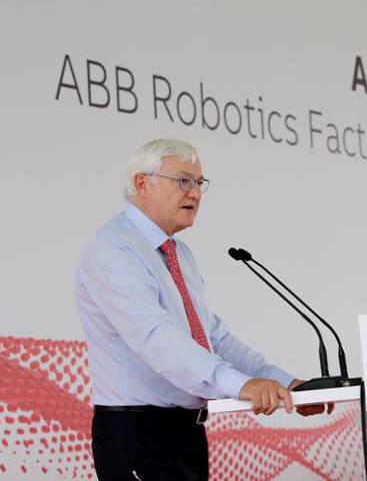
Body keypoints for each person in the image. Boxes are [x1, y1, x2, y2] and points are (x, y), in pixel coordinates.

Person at [75, 139, 309, 481]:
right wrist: (241, 385)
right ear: (142, 183)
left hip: (186, 433)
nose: (196, 193)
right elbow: (158, 339)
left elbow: (214, 338)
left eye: (199, 183)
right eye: (183, 181)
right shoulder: (112, 249)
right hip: (137, 433)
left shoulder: (178, 253)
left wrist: (287, 384)